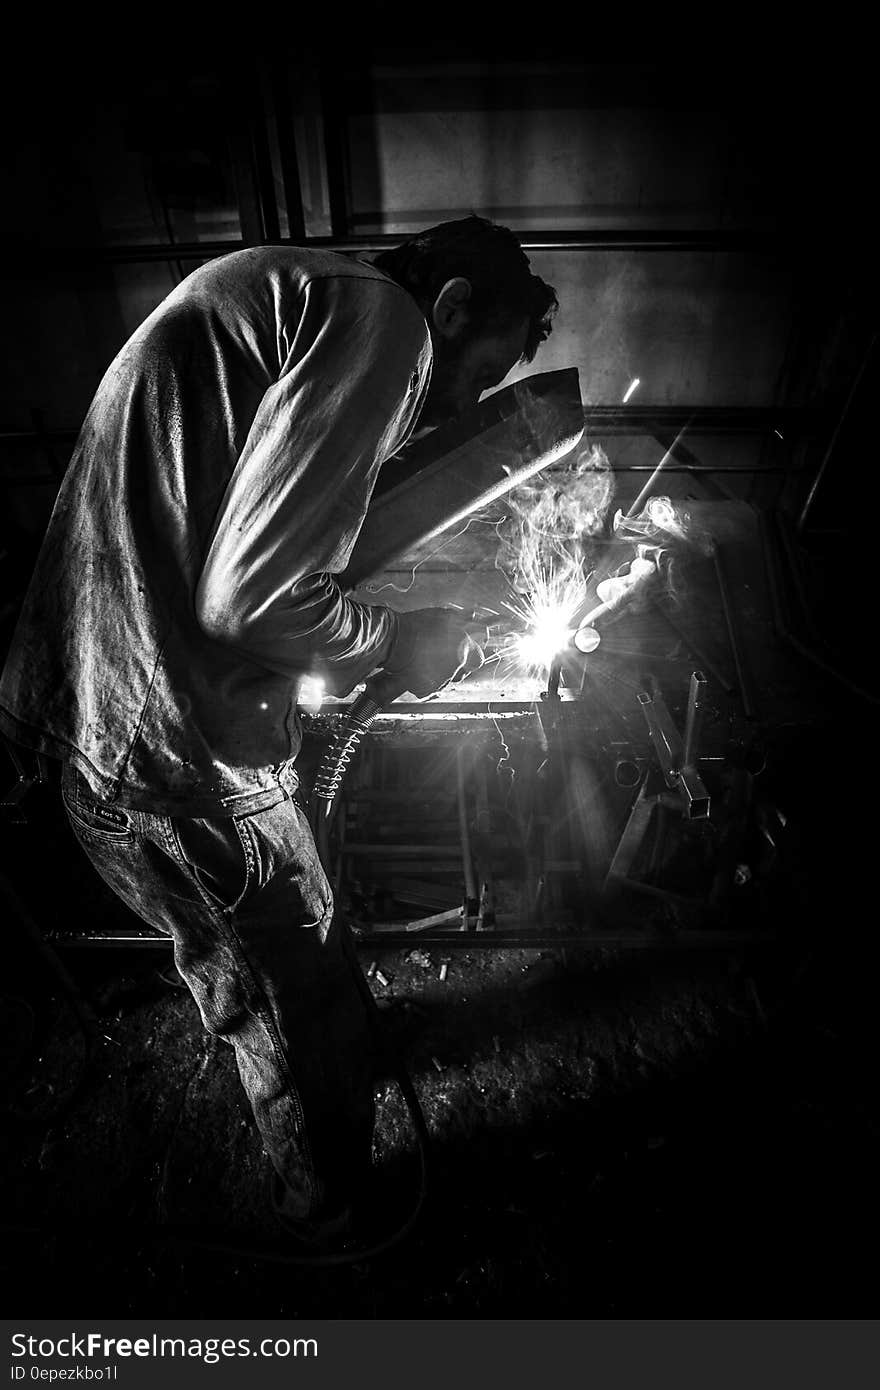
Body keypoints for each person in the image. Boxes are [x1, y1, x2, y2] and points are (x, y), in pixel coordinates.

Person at [0, 216, 557, 1245]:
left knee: (290, 937)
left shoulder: (289, 293)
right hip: (169, 740)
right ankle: (331, 1207)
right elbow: (251, 596)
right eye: (475, 372)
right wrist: (393, 644)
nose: (461, 403)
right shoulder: (386, 327)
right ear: (453, 305)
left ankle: (338, 1060)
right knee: (281, 983)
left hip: (91, 693)